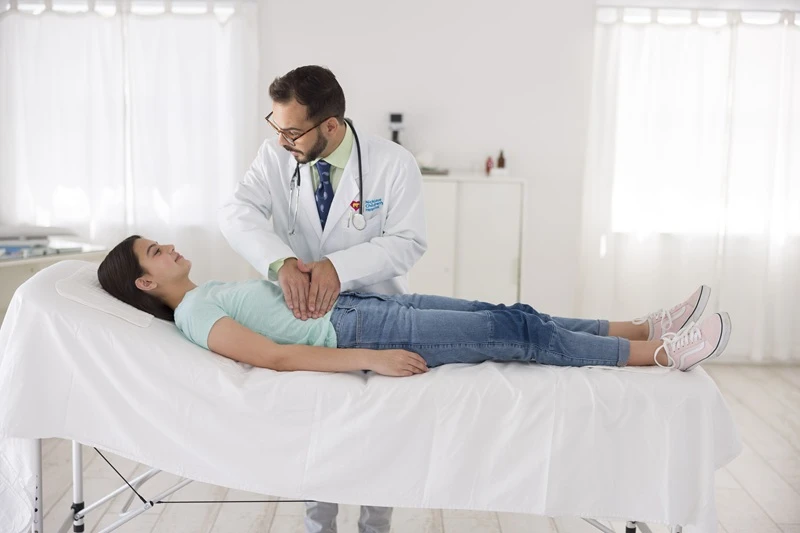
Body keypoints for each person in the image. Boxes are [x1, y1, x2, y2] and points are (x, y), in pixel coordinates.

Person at [218, 65, 427, 533]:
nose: (280, 141)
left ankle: (375, 527)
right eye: (275, 126)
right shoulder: (275, 157)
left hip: (376, 310)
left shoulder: (393, 164)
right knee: (320, 433)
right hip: (308, 318)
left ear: (330, 126)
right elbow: (236, 212)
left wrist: (341, 266)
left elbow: (409, 240)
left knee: (378, 437)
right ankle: (319, 526)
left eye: (291, 131)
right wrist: (280, 261)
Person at [99, 236, 732, 382]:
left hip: (358, 303)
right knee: (504, 331)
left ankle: (644, 325)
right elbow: (271, 354)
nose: (171, 247)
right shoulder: (194, 317)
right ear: (146, 284)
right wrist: (368, 357)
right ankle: (656, 355)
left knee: (506, 311)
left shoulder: (204, 293)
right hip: (358, 328)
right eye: (156, 252)